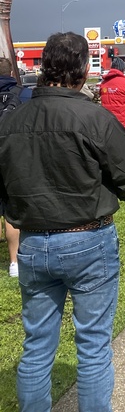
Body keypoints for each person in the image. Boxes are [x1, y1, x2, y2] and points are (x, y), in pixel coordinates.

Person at [0, 31, 125, 412]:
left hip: (34, 241)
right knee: (93, 345)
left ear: (45, 66)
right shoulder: (93, 117)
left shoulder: (12, 121)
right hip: (87, 239)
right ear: (82, 70)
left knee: (37, 345)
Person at [0, 57, 32, 277]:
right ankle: (14, 263)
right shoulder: (24, 94)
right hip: (14, 157)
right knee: (12, 210)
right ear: (12, 73)